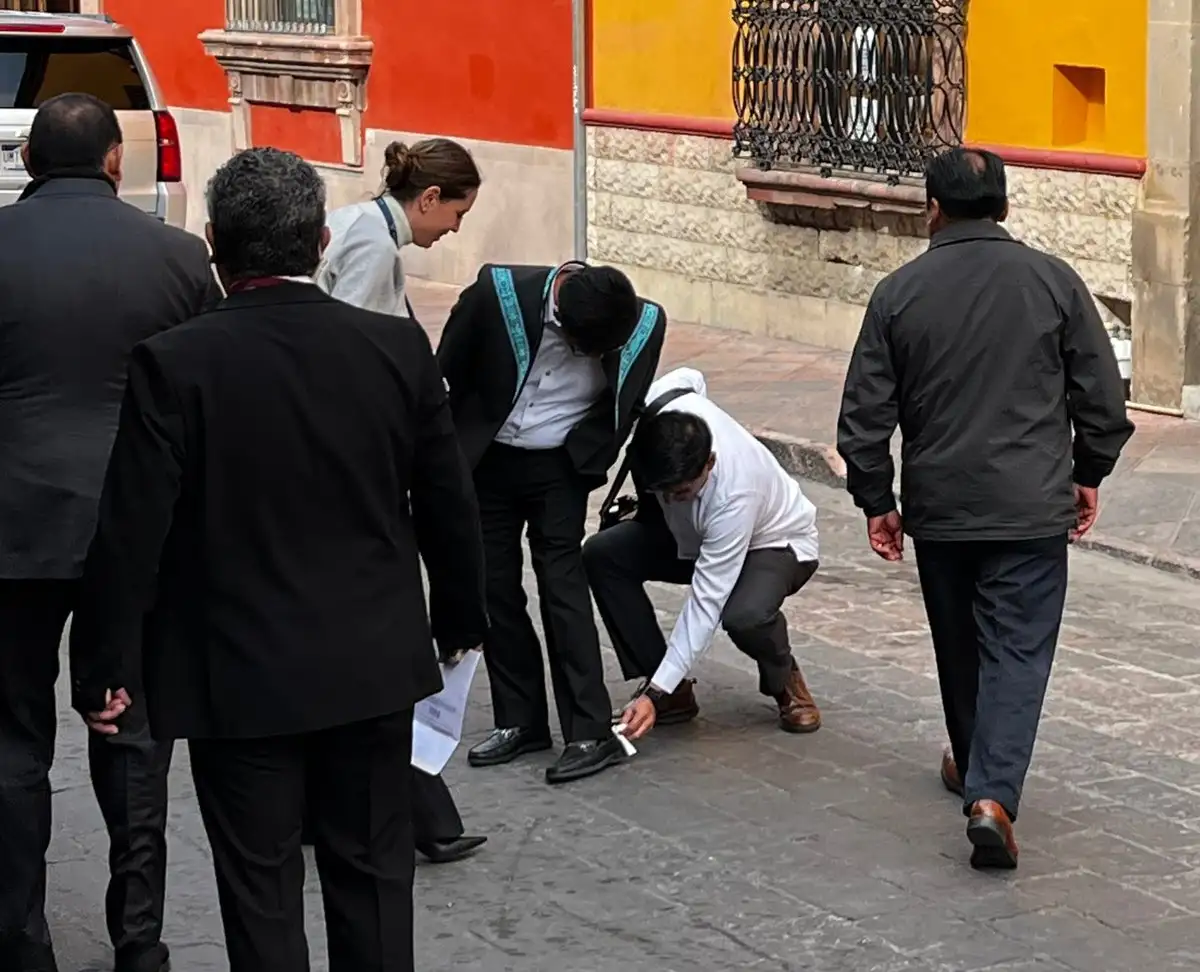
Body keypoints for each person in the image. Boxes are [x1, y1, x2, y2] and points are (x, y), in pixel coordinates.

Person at [68, 147, 488, 972]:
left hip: (236, 671)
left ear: (213, 243)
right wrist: (459, 621)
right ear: (320, 239)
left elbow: (131, 531)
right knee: (374, 880)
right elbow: (449, 501)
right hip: (370, 662)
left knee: (259, 890)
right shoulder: (394, 349)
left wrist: (104, 667)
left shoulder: (175, 362)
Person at [836, 147, 1134, 870]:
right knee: (1018, 650)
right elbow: (1102, 400)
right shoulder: (1054, 282)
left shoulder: (898, 293)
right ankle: (991, 792)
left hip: (941, 508)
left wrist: (876, 499)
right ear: (1004, 206)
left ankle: (979, 772)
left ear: (931, 209)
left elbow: (864, 417)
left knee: (960, 645)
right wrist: (1088, 472)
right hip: (1030, 505)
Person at [0, 93, 218, 972]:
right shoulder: (178, 257)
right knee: (131, 731)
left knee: (12, 738)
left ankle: (22, 941)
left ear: (27, 162)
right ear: (115, 162)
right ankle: (139, 943)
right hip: (139, 530)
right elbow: (208, 393)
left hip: (13, 529)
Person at [315, 137, 486, 865]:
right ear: (429, 199)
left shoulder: (365, 230)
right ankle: (413, 813)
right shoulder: (371, 246)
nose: (454, 229)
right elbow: (350, 355)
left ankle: (412, 813)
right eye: (455, 214)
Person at [438, 260, 666, 784]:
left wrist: (589, 458)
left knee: (563, 587)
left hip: (561, 466)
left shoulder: (644, 322)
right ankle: (520, 719)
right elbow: (446, 370)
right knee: (494, 586)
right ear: (559, 312)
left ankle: (589, 730)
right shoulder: (495, 294)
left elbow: (627, 402)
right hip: (490, 460)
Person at [583, 368, 822, 739]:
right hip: (689, 536)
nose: (673, 499)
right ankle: (672, 693)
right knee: (602, 554)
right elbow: (690, 376)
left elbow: (705, 601)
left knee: (745, 615)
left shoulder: (735, 494)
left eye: (682, 492)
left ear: (709, 462)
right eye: (665, 491)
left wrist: (652, 692)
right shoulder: (662, 406)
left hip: (773, 542)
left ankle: (784, 678)